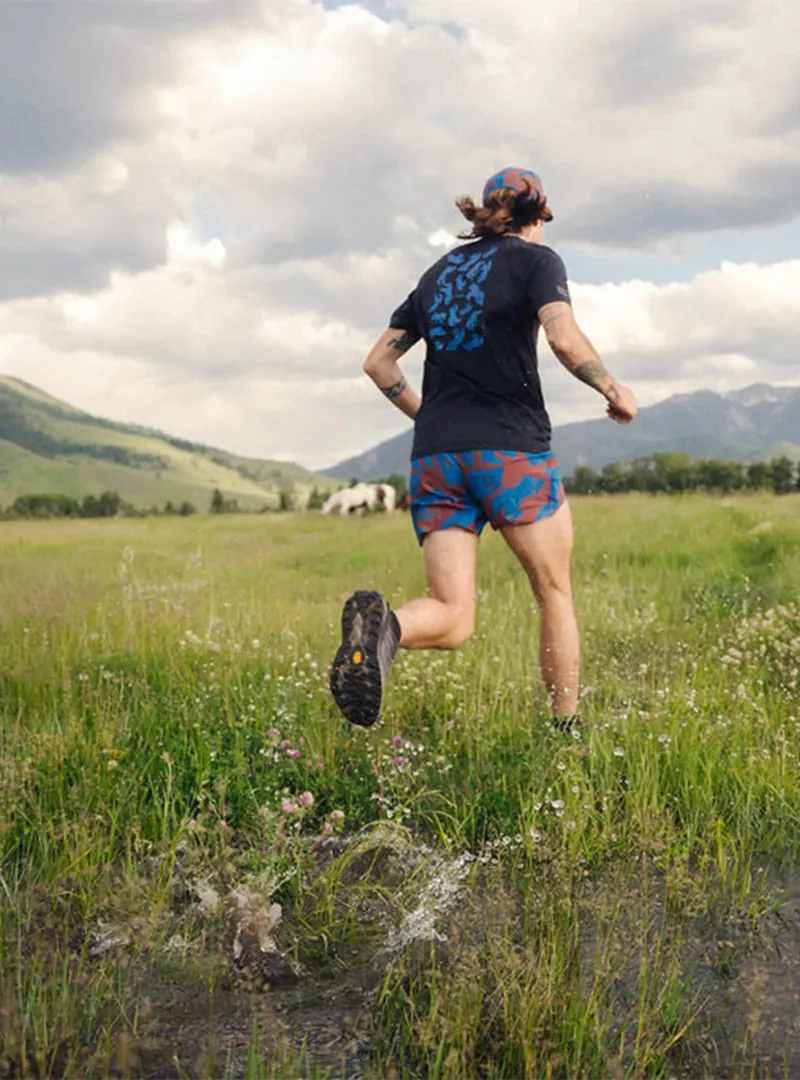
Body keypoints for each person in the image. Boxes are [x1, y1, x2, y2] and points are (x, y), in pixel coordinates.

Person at [329, 167, 637, 732]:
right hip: (510, 453)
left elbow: (379, 363)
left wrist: (432, 417)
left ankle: (384, 628)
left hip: (435, 457)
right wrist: (611, 388)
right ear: (537, 214)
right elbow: (563, 337)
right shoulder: (538, 262)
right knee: (554, 592)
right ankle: (564, 731)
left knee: (453, 618)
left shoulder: (437, 274)